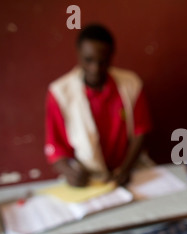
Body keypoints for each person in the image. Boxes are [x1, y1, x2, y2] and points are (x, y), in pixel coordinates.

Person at [44, 23, 152, 187]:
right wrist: (69, 172)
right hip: (87, 177)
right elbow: (55, 147)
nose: (95, 68)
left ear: (111, 56)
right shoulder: (60, 92)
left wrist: (125, 169)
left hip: (127, 170)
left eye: (102, 62)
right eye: (88, 60)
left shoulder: (131, 84)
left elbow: (140, 131)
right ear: (78, 55)